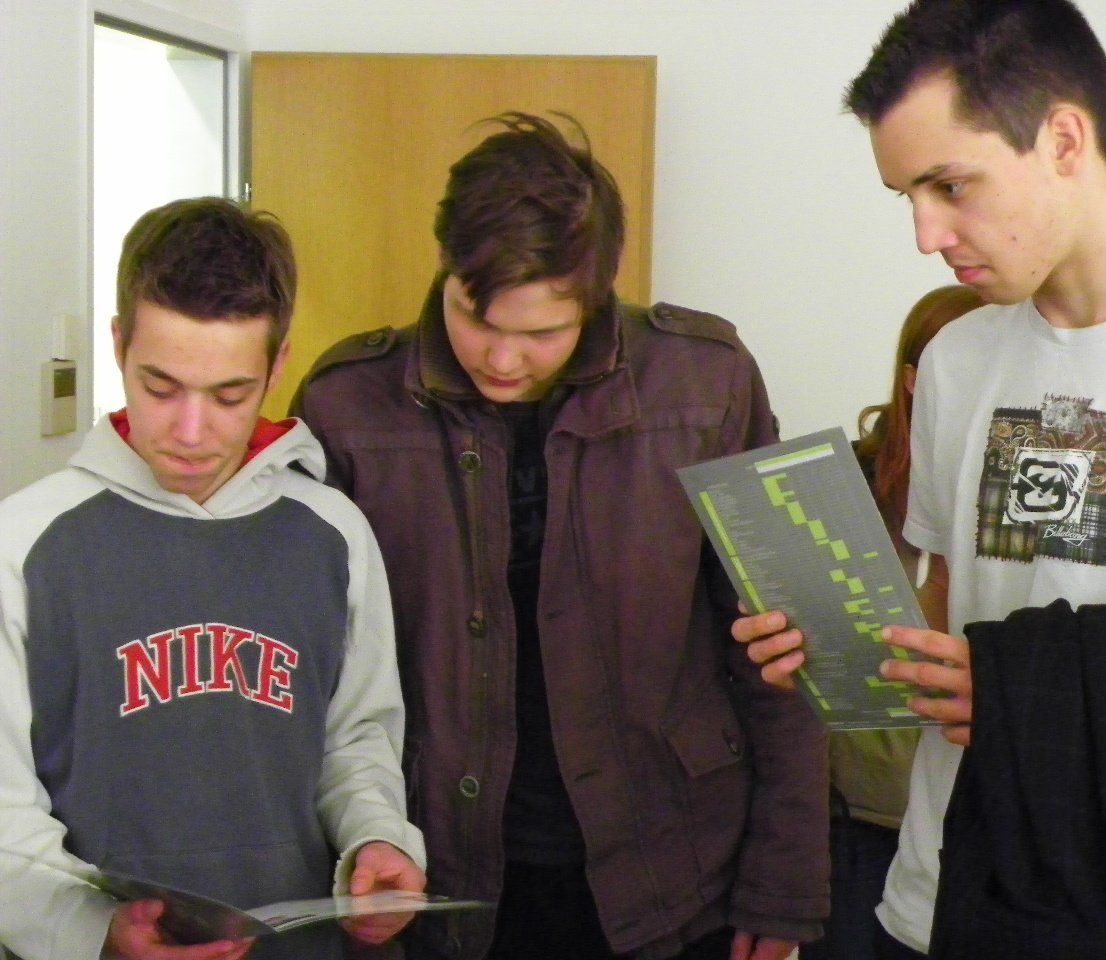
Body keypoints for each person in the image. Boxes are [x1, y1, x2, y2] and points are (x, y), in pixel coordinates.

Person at [732, 2, 1106, 958]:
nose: (925, 233)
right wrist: (837, 640)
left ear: (1064, 140)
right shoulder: (957, 358)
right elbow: (958, 619)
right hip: (936, 898)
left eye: (950, 185)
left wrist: (1041, 703)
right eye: (907, 195)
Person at [291, 112, 829, 960]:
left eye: (542, 333)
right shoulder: (346, 405)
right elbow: (313, 679)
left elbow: (783, 646)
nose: (503, 360)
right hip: (438, 870)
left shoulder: (707, 384)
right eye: (476, 318)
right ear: (444, 269)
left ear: (598, 295)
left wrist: (786, 879)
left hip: (677, 869)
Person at [0, 197, 427, 960]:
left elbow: (356, 740)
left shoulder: (333, 534)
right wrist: (93, 933)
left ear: (278, 365)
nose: (191, 432)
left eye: (230, 395)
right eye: (160, 387)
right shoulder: (24, 544)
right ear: (118, 345)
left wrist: (378, 839)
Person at [804, 285, 980, 960]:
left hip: (978, 815)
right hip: (859, 814)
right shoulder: (839, 486)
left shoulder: (1023, 492)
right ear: (914, 380)